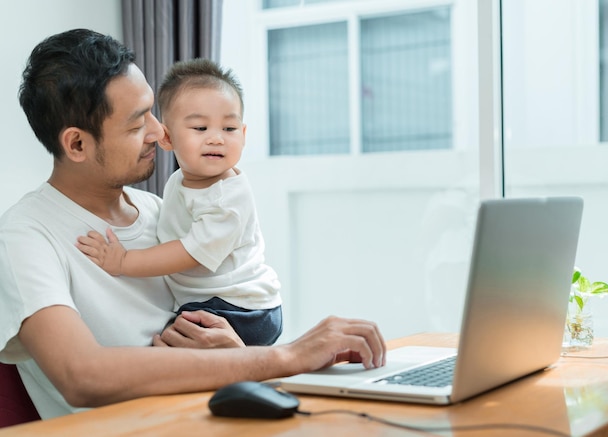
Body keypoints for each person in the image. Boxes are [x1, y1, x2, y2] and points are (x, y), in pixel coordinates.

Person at [0, 28, 386, 420]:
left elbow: (224, 344)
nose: (158, 131)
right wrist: (286, 356)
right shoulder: (26, 235)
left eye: (152, 111)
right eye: (136, 125)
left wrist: (240, 356)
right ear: (77, 144)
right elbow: (81, 375)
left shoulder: (161, 209)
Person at [77, 59, 282, 346]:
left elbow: (189, 252)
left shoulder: (229, 198)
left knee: (169, 342)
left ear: (244, 135)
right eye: (200, 128)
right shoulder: (179, 180)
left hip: (242, 308)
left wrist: (123, 261)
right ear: (167, 137)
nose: (216, 139)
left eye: (229, 128)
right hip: (212, 300)